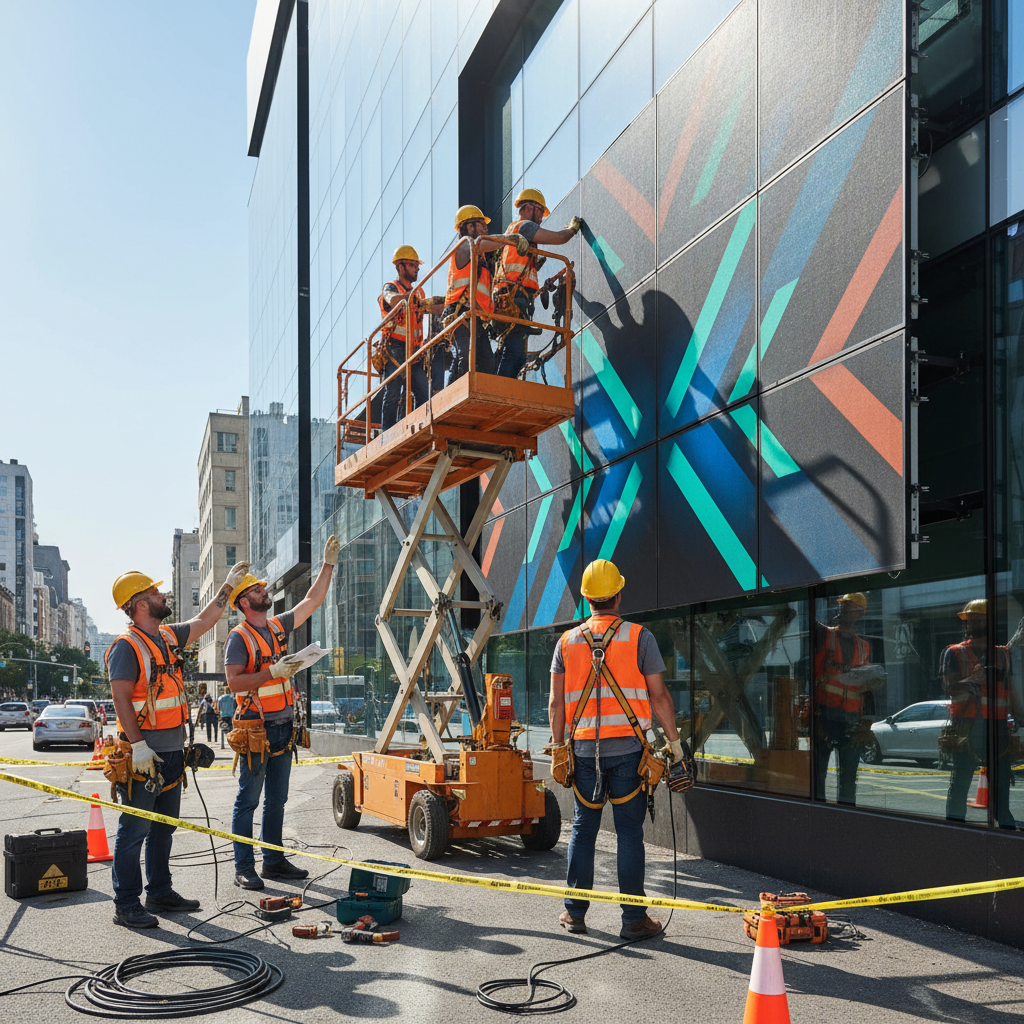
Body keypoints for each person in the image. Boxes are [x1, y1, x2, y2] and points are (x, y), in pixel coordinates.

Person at [105, 560, 250, 929]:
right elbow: (121, 700)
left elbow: (204, 621)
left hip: (171, 751)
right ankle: (126, 904)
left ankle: (159, 892)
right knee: (134, 830)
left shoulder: (167, 637)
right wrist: (138, 747)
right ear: (140, 604)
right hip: (143, 754)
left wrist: (227, 589)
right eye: (155, 593)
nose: (162, 595)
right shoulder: (126, 647)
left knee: (164, 827)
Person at [547, 559, 685, 939]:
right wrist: (675, 747)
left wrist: (558, 747)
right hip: (629, 753)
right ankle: (633, 919)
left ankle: (574, 913)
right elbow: (660, 697)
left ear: (586, 598)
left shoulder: (566, 643)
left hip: (582, 753)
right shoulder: (640, 638)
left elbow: (556, 703)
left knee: (583, 828)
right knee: (628, 833)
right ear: (619, 595)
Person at [225, 535, 340, 890]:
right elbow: (234, 682)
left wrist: (328, 565)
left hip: (282, 726)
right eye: (257, 589)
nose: (265, 590)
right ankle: (244, 866)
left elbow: (312, 601)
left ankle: (273, 861)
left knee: (277, 799)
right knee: (248, 800)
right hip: (256, 729)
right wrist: (272, 671)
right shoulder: (239, 637)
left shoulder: (276, 626)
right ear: (245, 602)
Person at [942, 599, 1018, 828]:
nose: (972, 623)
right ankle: (955, 823)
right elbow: (949, 688)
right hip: (965, 723)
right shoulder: (954, 653)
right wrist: (971, 680)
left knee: (1001, 777)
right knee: (961, 777)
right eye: (969, 619)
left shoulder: (1003, 654)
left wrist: (1019, 717)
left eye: (978, 618)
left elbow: (1011, 690)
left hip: (997, 724)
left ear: (989, 622)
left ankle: (1004, 820)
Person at [491, 188, 581, 379]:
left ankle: (501, 386)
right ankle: (501, 389)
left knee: (511, 349)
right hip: (515, 297)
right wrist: (572, 229)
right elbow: (559, 238)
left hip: (509, 296)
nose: (541, 217)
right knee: (514, 352)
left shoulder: (513, 230)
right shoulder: (524, 227)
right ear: (529, 207)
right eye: (540, 211)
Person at [442, 205, 529, 383]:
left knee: (488, 364)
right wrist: (510, 238)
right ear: (469, 226)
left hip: (476, 318)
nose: (485, 228)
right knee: (465, 356)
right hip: (459, 314)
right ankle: (452, 395)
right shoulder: (464, 245)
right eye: (481, 225)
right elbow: (481, 244)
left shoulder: (480, 258)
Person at [812, 593, 884, 805]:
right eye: (842, 605)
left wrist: (867, 720)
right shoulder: (825, 635)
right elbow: (808, 618)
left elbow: (866, 688)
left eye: (849, 606)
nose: (843, 609)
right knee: (818, 775)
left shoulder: (864, 647)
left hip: (851, 718)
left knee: (849, 777)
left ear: (860, 613)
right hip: (824, 714)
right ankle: (819, 813)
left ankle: (845, 814)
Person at [378, 245, 445, 431]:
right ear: (401, 267)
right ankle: (387, 434)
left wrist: (447, 304)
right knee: (392, 393)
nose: (416, 269)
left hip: (414, 352)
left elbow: (431, 308)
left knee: (423, 392)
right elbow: (391, 299)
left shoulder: (419, 293)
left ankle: (417, 427)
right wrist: (408, 299)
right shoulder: (391, 287)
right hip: (394, 349)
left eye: (417, 266)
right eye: (412, 265)